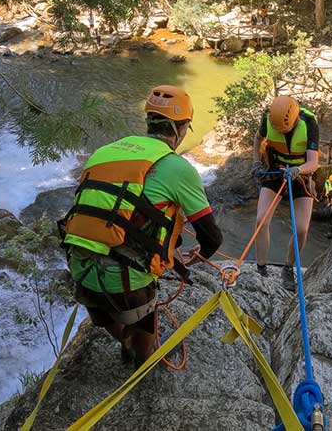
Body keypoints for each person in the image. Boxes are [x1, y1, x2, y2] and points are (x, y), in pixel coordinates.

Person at [60, 85, 223, 368]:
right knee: (144, 331)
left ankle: (123, 339)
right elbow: (212, 237)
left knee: (110, 311)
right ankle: (142, 364)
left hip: (80, 270)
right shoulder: (177, 167)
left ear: (148, 121)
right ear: (182, 128)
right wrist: (196, 258)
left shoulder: (105, 152)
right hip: (127, 285)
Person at [251, 95, 320, 291]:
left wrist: (297, 171)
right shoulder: (268, 119)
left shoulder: (309, 123)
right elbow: (258, 138)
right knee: (261, 220)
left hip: (301, 177)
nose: (280, 132)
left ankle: (288, 268)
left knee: (301, 229)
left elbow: (313, 162)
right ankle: (261, 267)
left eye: (284, 129)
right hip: (275, 172)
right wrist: (256, 162)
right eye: (278, 129)